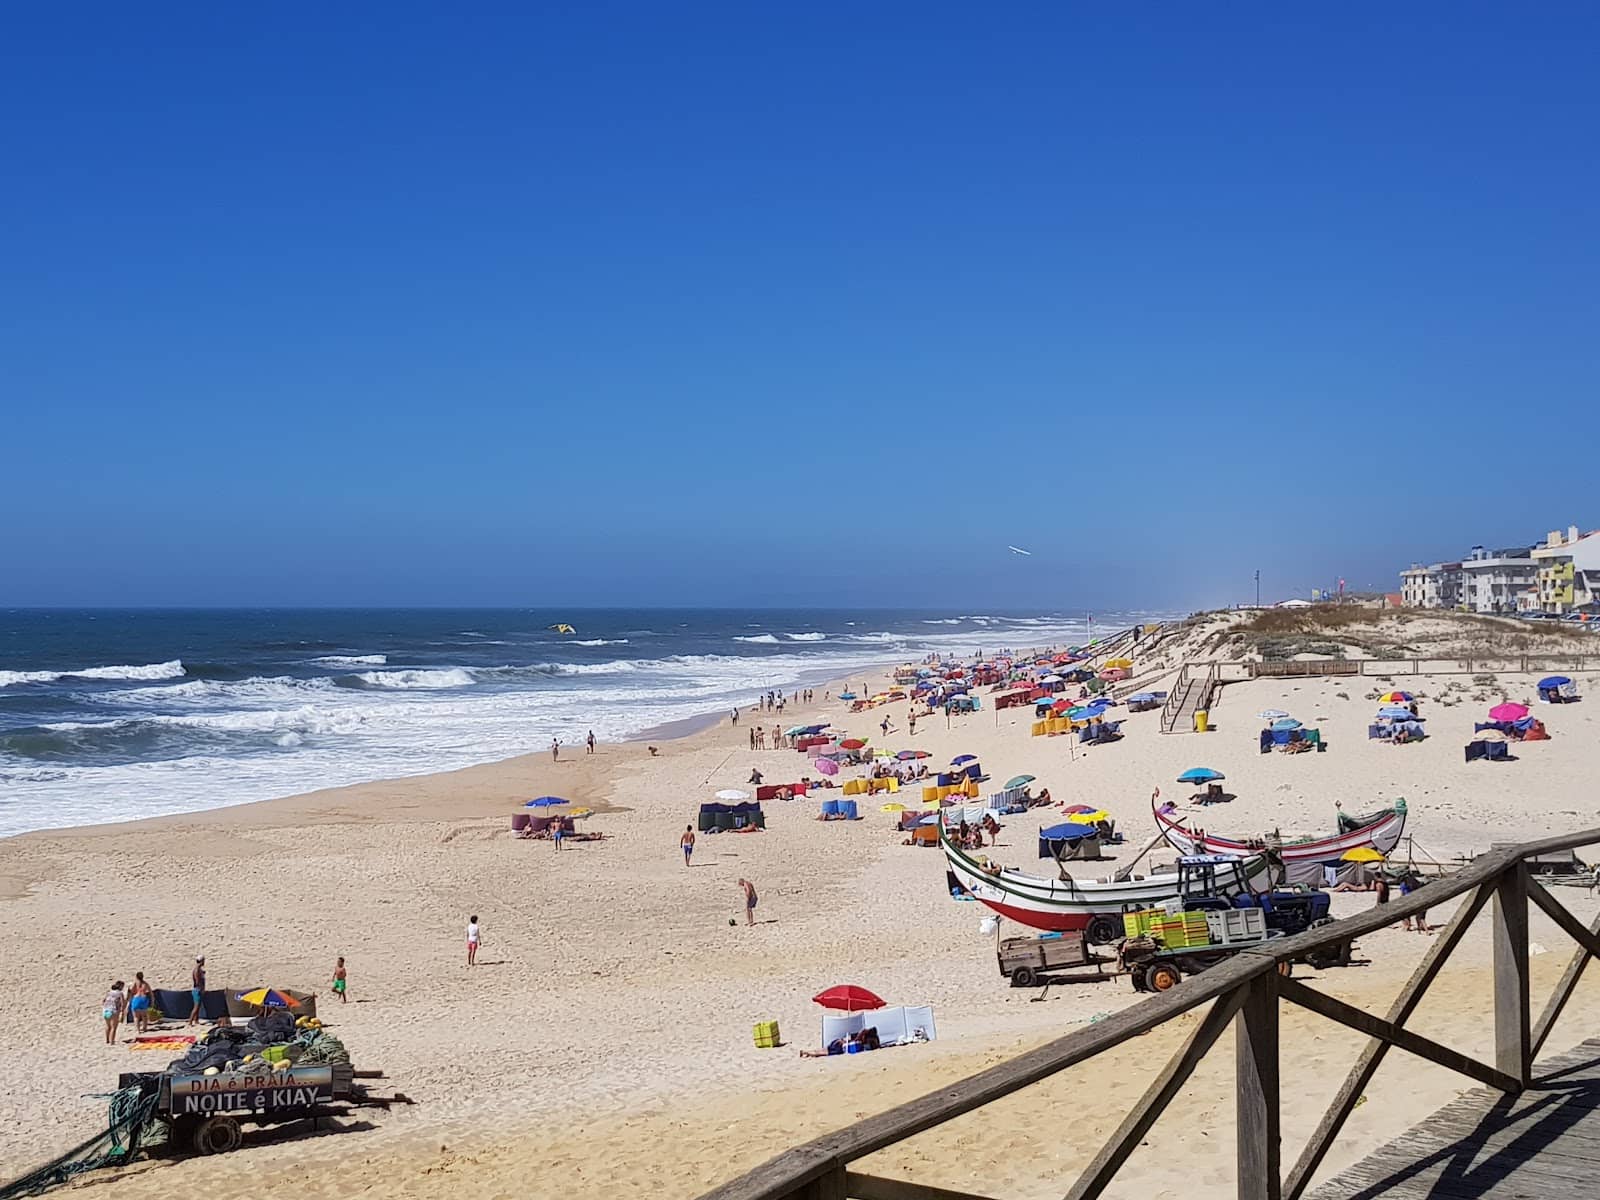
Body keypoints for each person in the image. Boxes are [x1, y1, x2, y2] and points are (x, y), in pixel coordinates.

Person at [103, 980, 126, 1045]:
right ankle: (112, 1041)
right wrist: (122, 1011)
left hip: (105, 1010)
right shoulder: (120, 993)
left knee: (108, 1025)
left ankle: (107, 1040)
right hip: (113, 1010)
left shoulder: (109, 992)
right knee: (114, 1027)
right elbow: (122, 1003)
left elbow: (103, 1001)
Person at [188, 956, 206, 1026]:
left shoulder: (199, 969)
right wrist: (201, 989)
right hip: (197, 990)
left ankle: (196, 1020)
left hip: (198, 989)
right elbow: (197, 981)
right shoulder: (197, 970)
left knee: (198, 1007)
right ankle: (190, 1021)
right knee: (196, 1007)